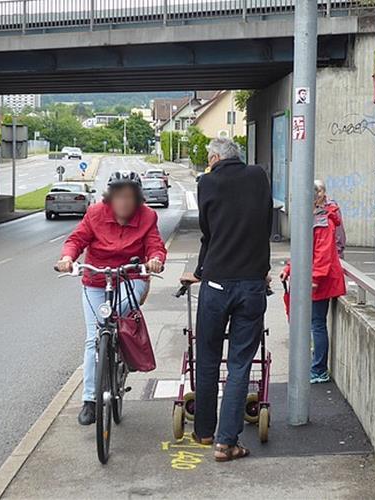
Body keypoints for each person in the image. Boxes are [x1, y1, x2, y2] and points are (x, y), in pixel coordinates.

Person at [181, 138, 272, 462]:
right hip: (251, 284)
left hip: (216, 283)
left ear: (216, 158)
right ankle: (226, 443)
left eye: (209, 159)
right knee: (239, 365)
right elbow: (265, 225)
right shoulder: (259, 176)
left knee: (206, 359)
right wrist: (262, 268)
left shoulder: (206, 182)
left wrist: (200, 269)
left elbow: (209, 232)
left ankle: (204, 431)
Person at [56, 170, 166, 426]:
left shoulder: (147, 216)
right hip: (96, 280)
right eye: (119, 195)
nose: (124, 201)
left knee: (114, 317)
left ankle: (124, 354)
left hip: (131, 279)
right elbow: (77, 239)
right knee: (94, 337)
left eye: (130, 196)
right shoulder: (95, 213)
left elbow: (154, 244)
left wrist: (156, 260)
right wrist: (67, 258)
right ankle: (90, 400)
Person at [280, 180, 346, 384]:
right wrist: (290, 269)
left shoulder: (321, 219)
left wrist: (314, 279)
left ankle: (319, 369)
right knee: (313, 323)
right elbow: (303, 249)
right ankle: (316, 366)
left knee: (316, 323)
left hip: (319, 280)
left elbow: (322, 253)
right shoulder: (317, 217)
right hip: (314, 278)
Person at [314, 179, 346, 259]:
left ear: (324, 191)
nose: (317, 194)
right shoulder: (310, 207)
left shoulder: (331, 207)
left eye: (319, 191)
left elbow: (339, 231)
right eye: (315, 191)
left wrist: (338, 252)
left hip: (331, 253)